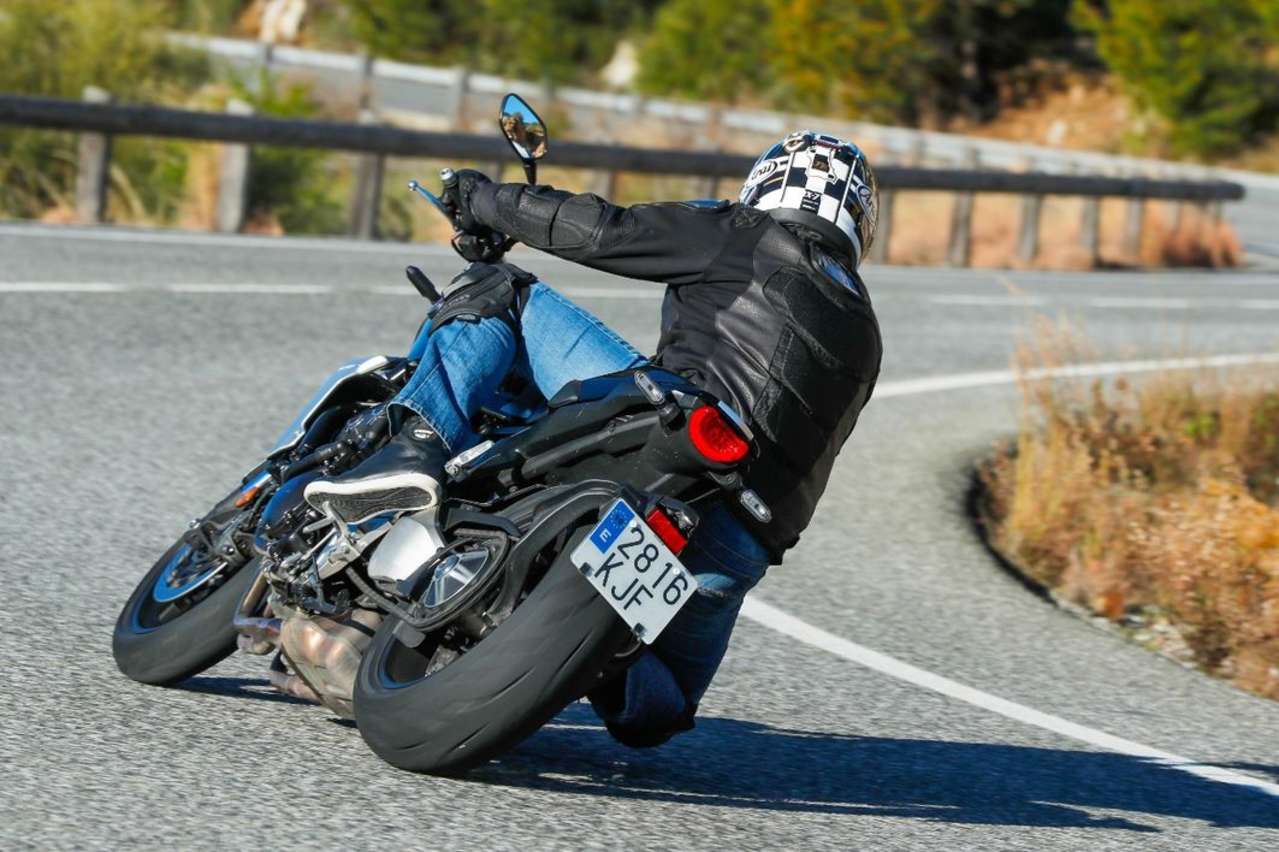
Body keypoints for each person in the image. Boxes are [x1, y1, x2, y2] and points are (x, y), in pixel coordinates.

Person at [304, 130, 884, 746]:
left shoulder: (744, 232)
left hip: (663, 433)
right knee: (658, 709)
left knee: (504, 291)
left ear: (767, 182)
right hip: (738, 542)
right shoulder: (866, 331)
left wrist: (481, 199)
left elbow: (602, 230)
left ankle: (413, 444)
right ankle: (592, 650)